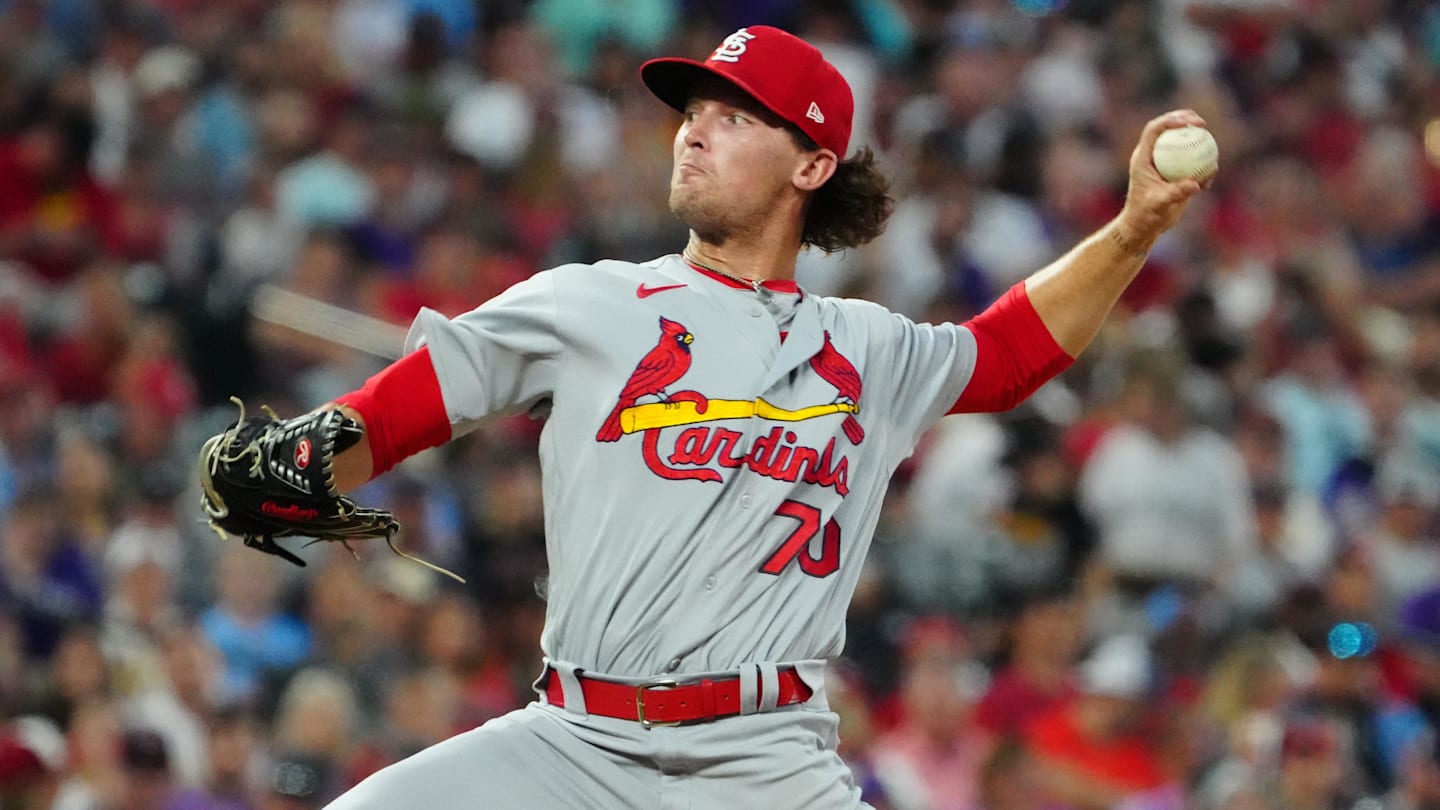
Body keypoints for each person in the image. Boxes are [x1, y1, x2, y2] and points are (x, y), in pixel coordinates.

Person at [221, 24, 1207, 810]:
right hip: (572, 745)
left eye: (734, 116)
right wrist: (302, 463)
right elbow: (395, 413)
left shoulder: (868, 348)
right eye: (693, 110)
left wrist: (1132, 231)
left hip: (766, 762)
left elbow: (1007, 355)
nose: (694, 128)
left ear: (811, 163)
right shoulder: (589, 303)